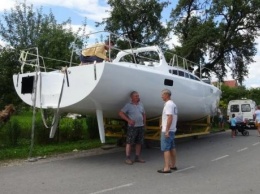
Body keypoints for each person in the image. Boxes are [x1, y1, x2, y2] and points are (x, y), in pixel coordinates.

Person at [119, 91, 146, 165]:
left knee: (139, 142)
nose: (137, 97)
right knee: (129, 142)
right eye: (136, 96)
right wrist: (128, 120)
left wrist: (144, 124)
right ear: (132, 97)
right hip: (132, 127)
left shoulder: (141, 105)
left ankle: (137, 157)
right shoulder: (128, 105)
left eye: (138, 96)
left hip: (140, 126)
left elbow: (143, 114)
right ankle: (128, 158)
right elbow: (121, 113)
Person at [158, 89, 178, 173]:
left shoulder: (168, 105)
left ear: (167, 95)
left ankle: (166, 167)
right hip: (172, 129)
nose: (161, 96)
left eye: (162, 94)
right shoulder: (173, 104)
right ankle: (173, 165)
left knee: (166, 148)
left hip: (168, 130)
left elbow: (170, 117)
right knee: (172, 147)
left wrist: (166, 130)